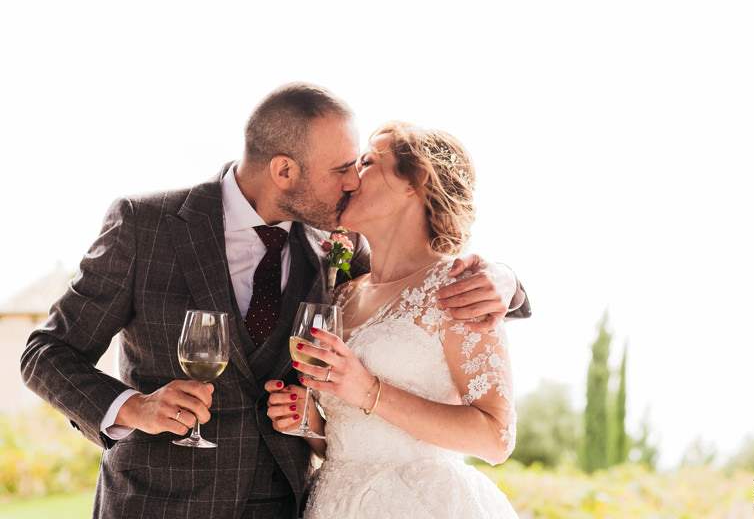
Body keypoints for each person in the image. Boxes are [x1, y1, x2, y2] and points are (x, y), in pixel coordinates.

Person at [20, 83, 529, 519]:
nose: (352, 182)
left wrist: (506, 281)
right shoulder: (146, 226)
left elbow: (423, 283)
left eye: (362, 166)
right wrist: (134, 406)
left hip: (286, 505)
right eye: (341, 169)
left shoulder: (341, 247)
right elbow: (46, 352)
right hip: (158, 502)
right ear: (285, 171)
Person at [266, 121, 520, 517]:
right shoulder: (342, 294)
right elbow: (352, 438)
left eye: (366, 162)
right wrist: (311, 421)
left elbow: (497, 436)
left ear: (414, 181)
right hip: (335, 502)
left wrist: (368, 389)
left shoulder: (458, 287)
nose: (350, 178)